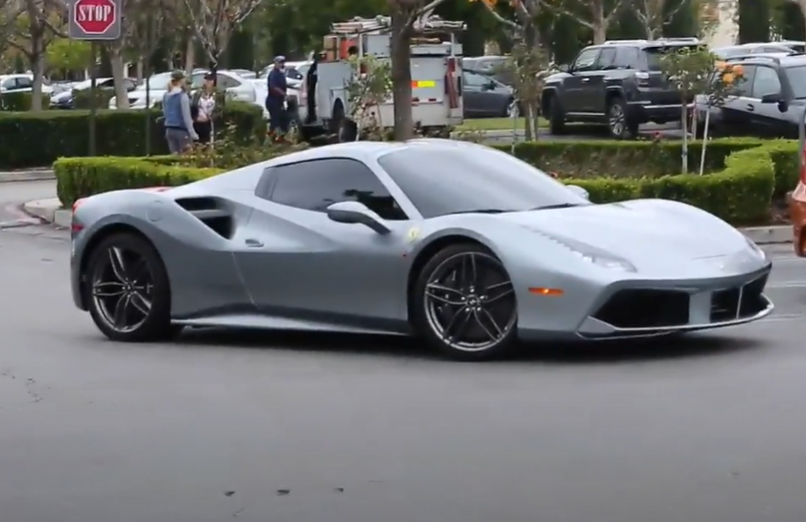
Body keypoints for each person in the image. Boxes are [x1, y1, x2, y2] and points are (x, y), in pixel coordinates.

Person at [162, 70, 197, 154]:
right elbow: (186, 117)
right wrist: (193, 134)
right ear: (181, 81)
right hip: (181, 131)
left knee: (175, 158)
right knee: (186, 158)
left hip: (169, 130)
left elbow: (165, 113)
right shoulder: (183, 96)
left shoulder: (166, 95)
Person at [266, 55, 289, 140]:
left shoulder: (280, 73)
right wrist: (283, 94)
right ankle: (271, 137)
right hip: (273, 100)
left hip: (279, 101)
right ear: (275, 63)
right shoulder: (273, 74)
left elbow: (284, 85)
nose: (282, 64)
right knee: (275, 120)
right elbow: (273, 87)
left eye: (283, 62)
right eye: (280, 62)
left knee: (283, 119)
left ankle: (280, 137)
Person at [192, 72, 216, 146]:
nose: (208, 82)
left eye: (210, 80)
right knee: (197, 144)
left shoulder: (216, 94)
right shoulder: (197, 94)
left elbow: (219, 109)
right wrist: (194, 117)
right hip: (197, 123)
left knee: (207, 144)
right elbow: (193, 106)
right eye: (206, 79)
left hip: (208, 123)